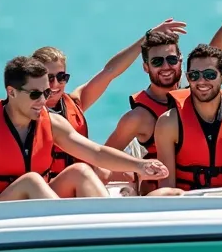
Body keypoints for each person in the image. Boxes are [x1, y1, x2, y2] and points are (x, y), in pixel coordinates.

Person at [0, 56, 168, 206]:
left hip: (36, 213)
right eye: (35, 94)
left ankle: (110, 238)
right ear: (11, 92)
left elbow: (96, 153)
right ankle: (70, 234)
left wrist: (141, 166)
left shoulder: (50, 121)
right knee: (31, 181)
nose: (44, 100)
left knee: (81, 171)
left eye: (46, 92)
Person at [104, 0, 222, 193]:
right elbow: (102, 157)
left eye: (172, 60)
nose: (166, 66)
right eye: (157, 61)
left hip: (208, 188)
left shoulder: (193, 89)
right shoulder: (139, 117)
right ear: (146, 67)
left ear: (181, 61)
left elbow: (215, 52)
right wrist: (134, 171)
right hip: (165, 192)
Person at [30, 17, 187, 184]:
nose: (55, 84)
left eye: (62, 77)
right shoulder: (26, 112)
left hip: (80, 183)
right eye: (49, 78)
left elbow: (110, 71)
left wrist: (146, 38)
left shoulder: (76, 102)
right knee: (91, 172)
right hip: (49, 188)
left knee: (116, 174)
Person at [148, 44, 222, 195]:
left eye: (210, 75)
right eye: (194, 75)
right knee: (161, 194)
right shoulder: (168, 122)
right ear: (188, 78)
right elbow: (166, 183)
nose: (201, 81)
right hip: (187, 199)